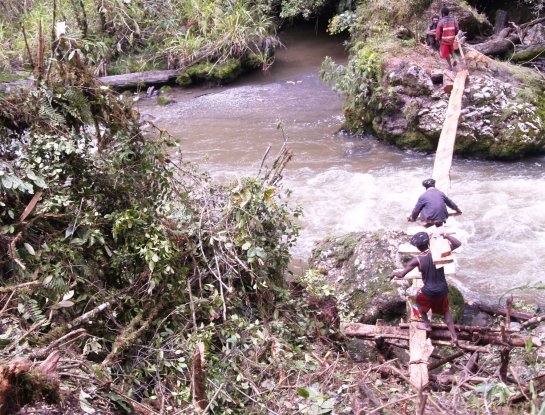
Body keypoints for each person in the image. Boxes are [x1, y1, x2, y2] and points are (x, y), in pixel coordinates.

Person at [390, 231, 461, 344]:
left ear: (417, 247)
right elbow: (457, 244)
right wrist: (446, 236)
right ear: (428, 243)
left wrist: (394, 273)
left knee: (417, 300)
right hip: (443, 289)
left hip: (428, 291)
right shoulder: (439, 253)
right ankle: (454, 336)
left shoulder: (417, 260)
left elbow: (401, 274)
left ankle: (427, 324)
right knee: (446, 312)